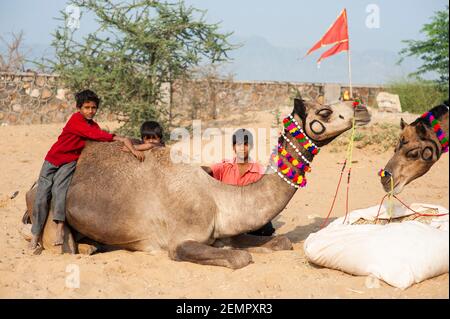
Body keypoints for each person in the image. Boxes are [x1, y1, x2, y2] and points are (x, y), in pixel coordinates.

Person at [30, 89, 144, 250]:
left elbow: (97, 135)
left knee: (59, 191)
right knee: (42, 194)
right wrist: (117, 138)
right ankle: (35, 234)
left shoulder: (93, 125)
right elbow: (94, 135)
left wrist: (127, 146)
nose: (90, 111)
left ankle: (60, 228)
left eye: (93, 108)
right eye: (87, 107)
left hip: (70, 162)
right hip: (53, 159)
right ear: (79, 108)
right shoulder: (76, 121)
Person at [203, 129, 275, 236]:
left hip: (248, 215)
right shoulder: (224, 167)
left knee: (266, 229)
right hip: (226, 216)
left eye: (246, 144)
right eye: (239, 144)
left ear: (251, 147)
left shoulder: (259, 171)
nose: (242, 148)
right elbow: (207, 170)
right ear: (234, 147)